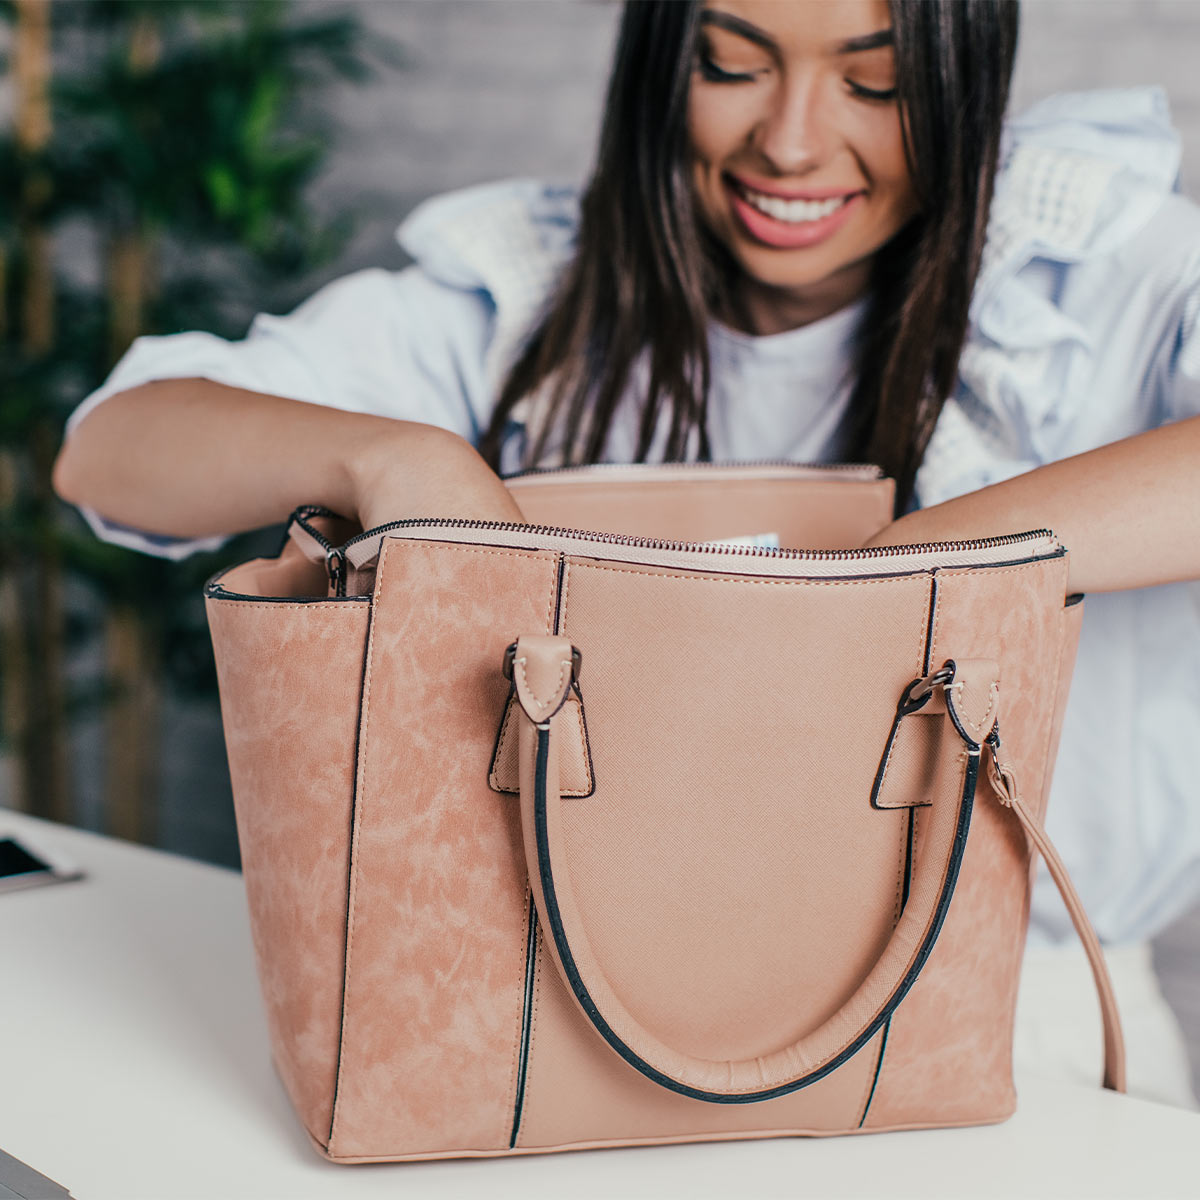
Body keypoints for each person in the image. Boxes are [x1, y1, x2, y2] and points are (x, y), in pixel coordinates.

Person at [53, 0, 1200, 1106]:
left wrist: (933, 556)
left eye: (876, 81)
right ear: (663, 62)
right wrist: (398, 462)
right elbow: (111, 447)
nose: (793, 141)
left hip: (1014, 1024)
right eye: (731, 64)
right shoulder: (535, 295)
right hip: (554, 1018)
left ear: (962, 74)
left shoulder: (1091, 270)